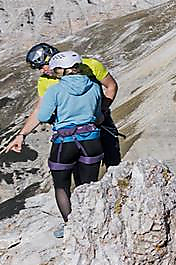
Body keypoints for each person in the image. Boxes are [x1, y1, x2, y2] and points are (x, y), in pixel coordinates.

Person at [8, 50, 109, 233]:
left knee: (61, 185)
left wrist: (23, 134)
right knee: (88, 185)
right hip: (92, 141)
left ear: (58, 71)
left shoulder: (54, 90)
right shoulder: (94, 86)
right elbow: (97, 115)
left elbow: (44, 115)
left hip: (65, 142)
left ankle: (71, 227)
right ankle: (91, 222)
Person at [26, 42, 121, 165]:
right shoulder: (45, 81)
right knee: (81, 171)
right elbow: (39, 109)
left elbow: (111, 86)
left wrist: (102, 111)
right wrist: (22, 135)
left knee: (112, 160)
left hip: (99, 121)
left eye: (42, 66)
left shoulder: (91, 66)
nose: (41, 71)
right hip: (70, 130)